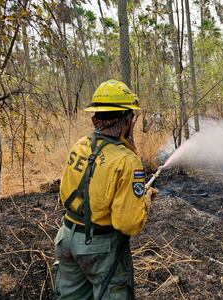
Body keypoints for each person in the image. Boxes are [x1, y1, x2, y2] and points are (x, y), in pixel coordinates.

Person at [54, 80, 156, 300]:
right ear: (127, 120)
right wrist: (144, 202)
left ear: (95, 118)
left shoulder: (79, 145)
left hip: (66, 238)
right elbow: (127, 223)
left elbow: (67, 191)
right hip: (99, 247)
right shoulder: (126, 160)